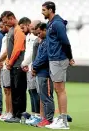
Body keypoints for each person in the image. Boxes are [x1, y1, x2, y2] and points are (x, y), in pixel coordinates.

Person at [42, 1, 74, 130]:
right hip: (54, 59)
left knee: (60, 89)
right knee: (57, 89)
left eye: (44, 10)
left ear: (50, 10)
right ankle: (61, 118)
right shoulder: (51, 23)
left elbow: (65, 41)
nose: (42, 12)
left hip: (59, 59)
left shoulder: (57, 23)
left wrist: (70, 57)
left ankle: (64, 120)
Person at [1, 11, 27, 123]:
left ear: (12, 18)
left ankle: (19, 115)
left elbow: (17, 49)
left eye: (6, 21)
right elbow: (10, 49)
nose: (5, 24)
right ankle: (15, 114)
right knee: (15, 91)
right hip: (13, 65)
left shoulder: (18, 31)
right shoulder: (12, 30)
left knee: (19, 91)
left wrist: (10, 62)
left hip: (17, 65)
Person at [32, 22, 55, 127]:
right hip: (40, 73)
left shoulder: (48, 42)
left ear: (45, 30)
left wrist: (34, 67)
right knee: (43, 96)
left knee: (47, 97)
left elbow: (43, 58)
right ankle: (45, 118)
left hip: (45, 73)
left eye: (39, 32)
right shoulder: (43, 41)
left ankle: (49, 119)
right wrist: (34, 67)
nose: (38, 35)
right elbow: (38, 57)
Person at [20, 18, 41, 125]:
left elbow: (32, 53)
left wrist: (24, 63)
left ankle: (38, 115)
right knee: (31, 91)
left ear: (28, 25)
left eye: (23, 27)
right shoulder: (28, 36)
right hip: (29, 67)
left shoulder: (34, 37)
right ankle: (34, 114)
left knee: (34, 91)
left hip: (33, 67)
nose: (22, 30)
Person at [0, 18, 13, 121]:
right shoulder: (5, 36)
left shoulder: (10, 35)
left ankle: (10, 112)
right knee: (6, 90)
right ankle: (7, 112)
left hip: (7, 65)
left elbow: (7, 52)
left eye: (3, 26)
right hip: (3, 65)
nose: (1, 28)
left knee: (8, 90)